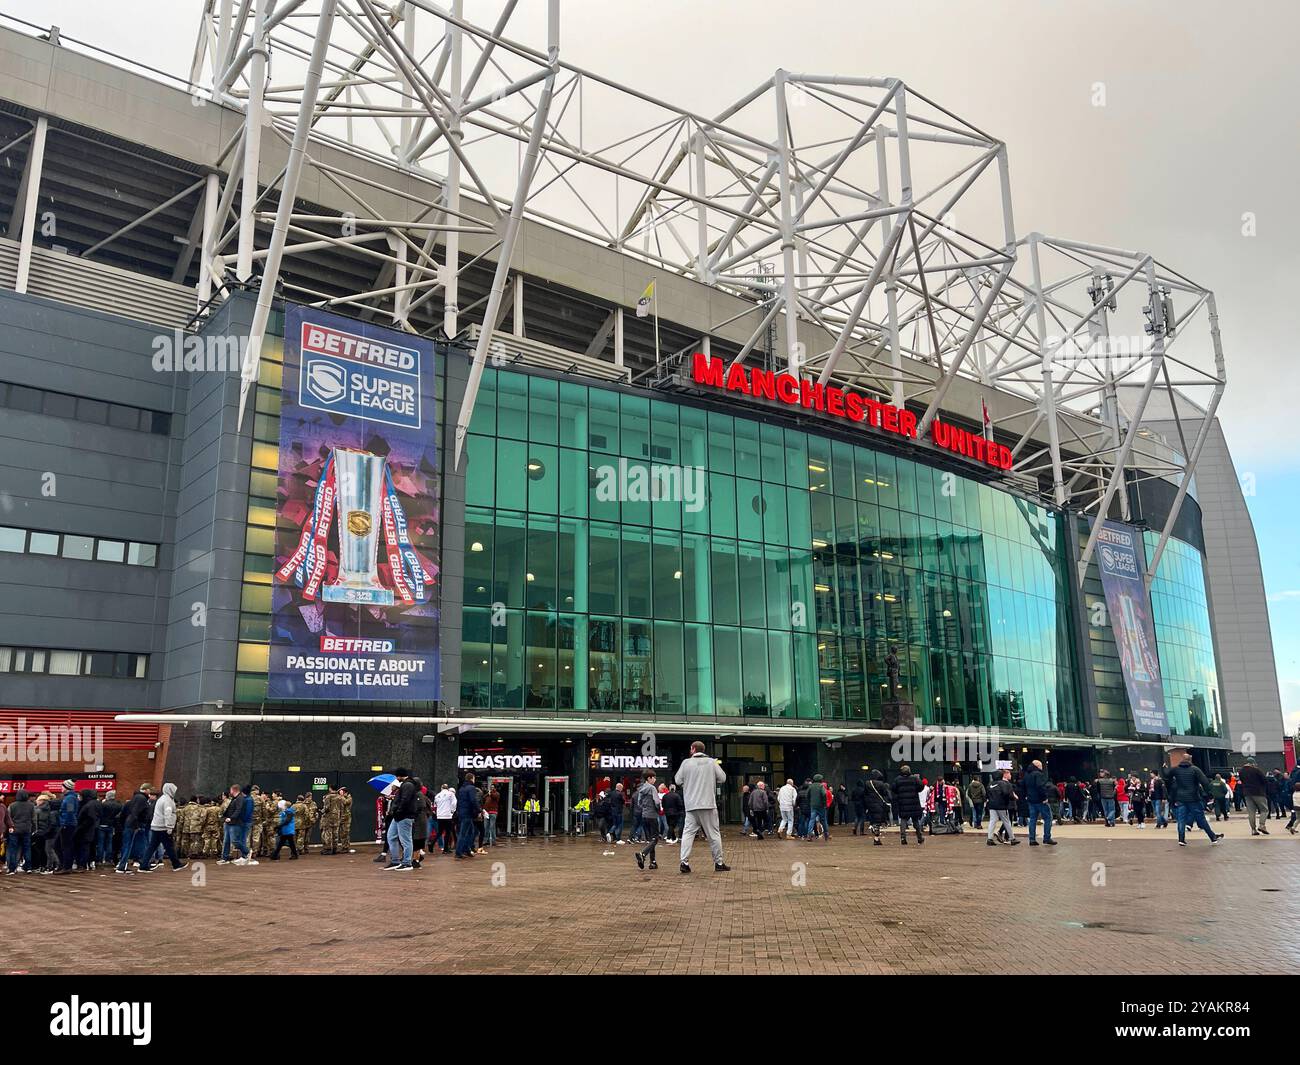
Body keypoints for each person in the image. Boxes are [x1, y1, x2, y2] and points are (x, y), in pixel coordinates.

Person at [674, 741, 730, 874]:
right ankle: (719, 863)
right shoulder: (711, 762)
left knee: (688, 834)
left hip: (691, 805)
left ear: (693, 749)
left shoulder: (686, 763)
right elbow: (722, 778)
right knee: (713, 834)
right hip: (708, 804)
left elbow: (677, 780)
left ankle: (684, 862)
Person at [1162, 752, 1222, 847]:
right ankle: (1212, 837)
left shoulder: (1176, 770)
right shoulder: (1195, 770)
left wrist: (1164, 768)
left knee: (1181, 819)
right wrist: (1209, 794)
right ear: (1190, 760)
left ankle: (1181, 839)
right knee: (1201, 819)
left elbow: (1166, 776)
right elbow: (1205, 782)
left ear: (1182, 759)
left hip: (1181, 798)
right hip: (1193, 798)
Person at [140, 783, 187, 872]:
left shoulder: (162, 799)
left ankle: (144, 865)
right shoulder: (168, 801)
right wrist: (169, 826)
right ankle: (176, 864)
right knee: (169, 846)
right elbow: (168, 814)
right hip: (163, 827)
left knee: (152, 846)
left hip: (156, 826)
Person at [384, 769, 418, 871]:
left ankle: (407, 863)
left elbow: (405, 800)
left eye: (397, 776)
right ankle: (395, 861)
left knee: (405, 840)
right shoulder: (406, 785)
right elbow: (403, 799)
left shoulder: (407, 785)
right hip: (399, 816)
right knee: (391, 837)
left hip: (404, 816)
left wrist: (397, 811)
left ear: (400, 776)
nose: (396, 778)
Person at [1023, 759, 1056, 847]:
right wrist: (1045, 797)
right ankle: (1047, 838)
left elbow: (1024, 786)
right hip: (1040, 800)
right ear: (1038, 766)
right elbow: (1040, 786)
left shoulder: (1027, 775)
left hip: (1031, 800)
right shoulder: (1038, 774)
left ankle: (1032, 839)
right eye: (1041, 766)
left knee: (1033, 820)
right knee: (1048, 818)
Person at [633, 770, 663, 870]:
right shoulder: (652, 788)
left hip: (644, 815)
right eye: (654, 777)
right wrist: (658, 809)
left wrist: (645, 808)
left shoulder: (641, 789)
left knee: (650, 840)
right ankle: (643, 854)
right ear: (649, 778)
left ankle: (653, 862)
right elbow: (657, 802)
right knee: (655, 839)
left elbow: (639, 803)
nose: (655, 779)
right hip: (652, 816)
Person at [890, 765, 924, 846]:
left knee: (903, 820)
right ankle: (919, 837)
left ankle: (903, 838)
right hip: (914, 802)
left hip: (903, 802)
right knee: (915, 821)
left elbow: (893, 789)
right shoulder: (914, 778)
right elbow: (921, 786)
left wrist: (899, 793)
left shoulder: (897, 779)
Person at [985, 769, 1020, 846]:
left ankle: (989, 838)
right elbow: (1007, 794)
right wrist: (1011, 799)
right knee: (1006, 821)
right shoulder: (1004, 783)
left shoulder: (990, 784)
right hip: (1002, 805)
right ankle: (1012, 838)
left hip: (992, 805)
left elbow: (986, 795)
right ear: (1001, 775)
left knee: (992, 821)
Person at [1237, 758, 1271, 835]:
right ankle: (1262, 825)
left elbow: (1242, 781)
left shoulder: (1241, 771)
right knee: (1264, 810)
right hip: (1258, 792)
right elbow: (1264, 780)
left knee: (1251, 812)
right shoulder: (1256, 770)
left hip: (1247, 794)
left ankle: (1253, 830)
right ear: (1252, 763)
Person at [6, 788, 34, 874]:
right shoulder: (31, 805)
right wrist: (33, 828)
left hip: (14, 829)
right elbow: (34, 818)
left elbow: (8, 818)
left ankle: (12, 868)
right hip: (27, 829)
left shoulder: (12, 805)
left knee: (13, 849)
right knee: (27, 848)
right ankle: (28, 867)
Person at [455, 773, 481, 860]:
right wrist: (479, 811)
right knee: (464, 833)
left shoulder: (462, 788)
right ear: (471, 779)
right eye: (474, 778)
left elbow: (459, 801)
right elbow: (473, 800)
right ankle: (459, 852)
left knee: (471, 832)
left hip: (462, 813)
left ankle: (466, 849)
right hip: (467, 813)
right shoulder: (471, 788)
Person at [863, 770, 890, 845]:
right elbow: (884, 793)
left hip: (870, 804)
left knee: (874, 819)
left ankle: (873, 827)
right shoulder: (881, 784)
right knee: (878, 821)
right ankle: (876, 838)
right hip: (878, 804)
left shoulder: (867, 783)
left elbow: (865, 794)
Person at [433, 782, 457, 853]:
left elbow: (435, 806)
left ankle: (431, 843)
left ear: (441, 788)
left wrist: (437, 813)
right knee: (448, 832)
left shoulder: (437, 795)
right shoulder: (451, 794)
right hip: (447, 816)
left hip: (440, 816)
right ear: (447, 788)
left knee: (440, 832)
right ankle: (446, 849)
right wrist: (452, 811)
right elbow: (454, 803)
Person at [806, 774, 831, 841]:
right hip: (821, 806)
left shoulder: (811, 786)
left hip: (813, 806)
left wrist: (810, 802)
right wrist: (824, 803)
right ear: (820, 779)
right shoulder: (821, 786)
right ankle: (826, 834)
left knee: (812, 820)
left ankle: (809, 835)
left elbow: (807, 795)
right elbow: (824, 794)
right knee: (823, 820)